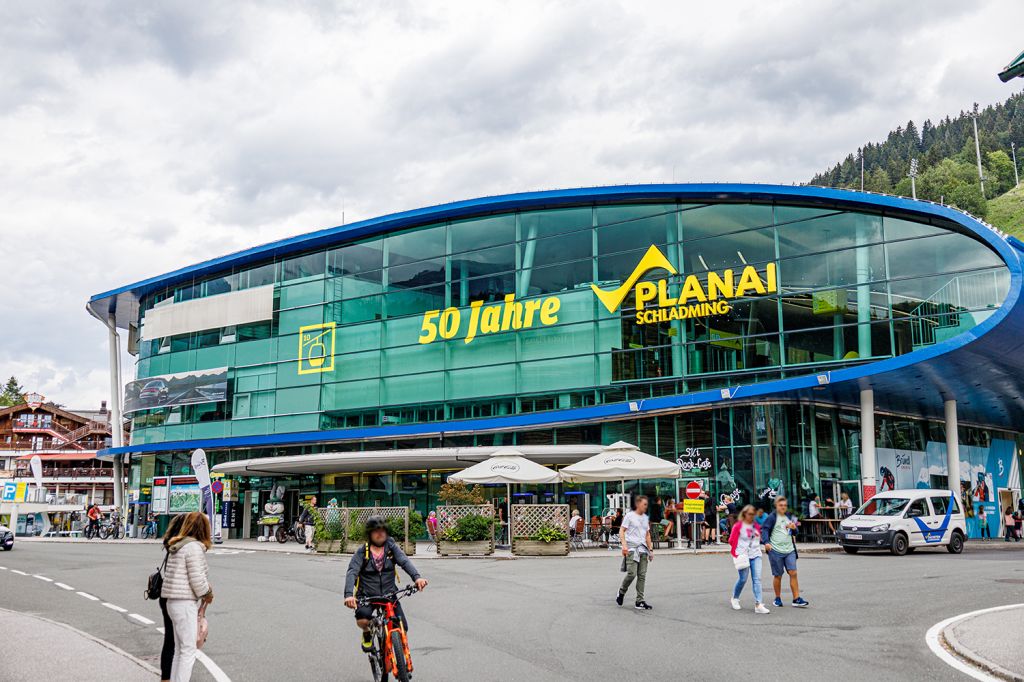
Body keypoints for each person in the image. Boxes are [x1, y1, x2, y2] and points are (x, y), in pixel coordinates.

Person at [344, 516, 428, 653]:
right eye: (376, 531)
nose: (380, 533)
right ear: (370, 534)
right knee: (362, 620)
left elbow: (404, 561)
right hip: (367, 595)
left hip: (389, 593)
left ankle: (400, 659)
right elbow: (352, 572)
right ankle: (367, 632)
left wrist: (417, 578)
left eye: (383, 530)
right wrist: (348, 595)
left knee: (402, 627)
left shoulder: (391, 548)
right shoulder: (362, 552)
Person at [161, 511, 214, 682]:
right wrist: (208, 594)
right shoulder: (193, 547)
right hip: (184, 602)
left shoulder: (178, 545)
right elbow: (197, 579)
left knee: (179, 649)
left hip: (172, 601)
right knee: (189, 650)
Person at [762, 496, 808, 608]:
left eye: (785, 505)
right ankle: (777, 598)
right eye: (780, 505)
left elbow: (795, 532)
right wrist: (766, 542)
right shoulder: (772, 517)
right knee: (778, 575)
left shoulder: (788, 516)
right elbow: (765, 529)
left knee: (793, 573)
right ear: (776, 506)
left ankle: (796, 599)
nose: (783, 507)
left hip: (790, 550)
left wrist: (794, 528)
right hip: (776, 550)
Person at [158, 514, 186, 682]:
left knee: (169, 640)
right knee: (182, 643)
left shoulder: (171, 545)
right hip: (177, 596)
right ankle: (177, 676)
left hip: (165, 594)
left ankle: (166, 678)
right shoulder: (182, 547)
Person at [729, 505, 769, 614]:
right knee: (743, 579)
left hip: (756, 554)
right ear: (744, 514)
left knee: (757, 579)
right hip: (743, 555)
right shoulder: (738, 526)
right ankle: (735, 598)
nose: (752, 516)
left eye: (753, 514)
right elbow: (731, 540)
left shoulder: (756, 526)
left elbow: (760, 538)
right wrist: (738, 552)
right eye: (749, 514)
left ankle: (758, 604)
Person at [616, 495, 653, 610]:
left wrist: (650, 550)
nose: (645, 506)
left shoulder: (645, 518)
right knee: (632, 574)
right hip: (632, 549)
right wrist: (624, 546)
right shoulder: (629, 516)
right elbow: (622, 530)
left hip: (643, 550)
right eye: (644, 504)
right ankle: (621, 591)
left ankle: (640, 601)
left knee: (642, 576)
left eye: (646, 504)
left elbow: (647, 535)